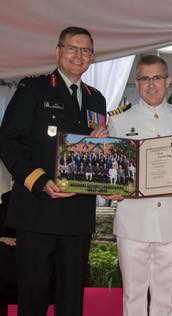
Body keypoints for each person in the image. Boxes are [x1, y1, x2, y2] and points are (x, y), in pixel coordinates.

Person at [0, 26, 108, 316]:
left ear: (92, 57)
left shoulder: (96, 98)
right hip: (38, 210)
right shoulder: (33, 89)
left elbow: (95, 155)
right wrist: (40, 180)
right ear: (58, 51)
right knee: (33, 296)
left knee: (71, 298)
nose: (78, 55)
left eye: (85, 50)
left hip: (77, 216)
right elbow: (8, 142)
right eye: (72, 48)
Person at [107, 55, 172, 316]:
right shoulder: (119, 121)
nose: (151, 85)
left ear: (167, 80)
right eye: (145, 79)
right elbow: (111, 170)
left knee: (166, 294)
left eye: (157, 78)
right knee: (133, 294)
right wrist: (108, 190)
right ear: (136, 83)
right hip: (132, 220)